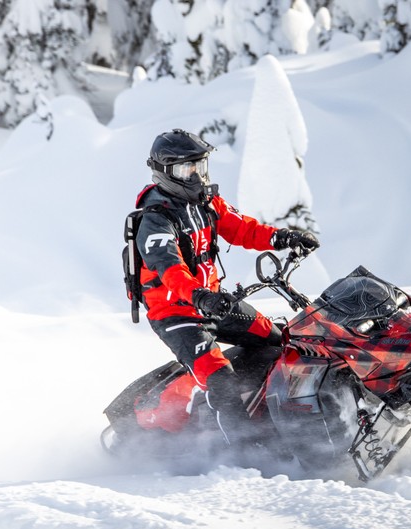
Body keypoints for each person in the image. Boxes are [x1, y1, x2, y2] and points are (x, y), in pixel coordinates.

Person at [134, 128, 319, 445]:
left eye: (200, 166)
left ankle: (287, 414)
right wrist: (199, 296)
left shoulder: (205, 202)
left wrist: (281, 238)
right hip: (177, 314)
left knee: (278, 341)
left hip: (214, 303)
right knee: (221, 381)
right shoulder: (155, 220)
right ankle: (245, 452)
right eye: (186, 169)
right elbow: (169, 268)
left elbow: (242, 229)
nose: (195, 176)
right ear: (164, 172)